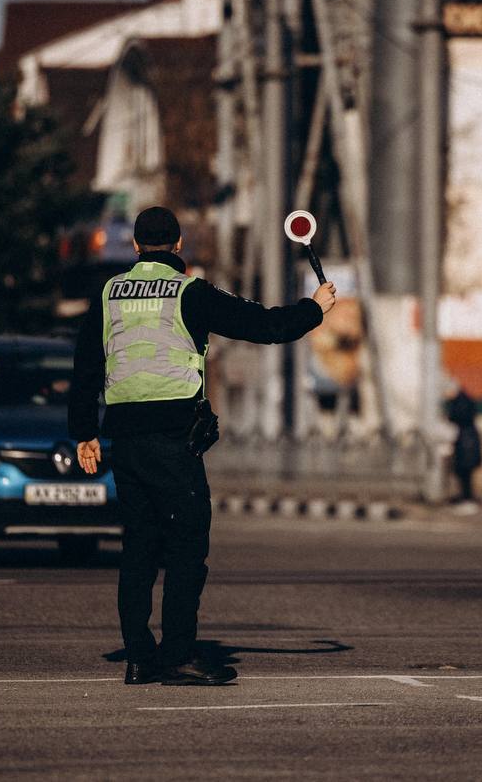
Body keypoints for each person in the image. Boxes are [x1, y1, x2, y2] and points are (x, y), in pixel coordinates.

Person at [69, 206, 336, 686]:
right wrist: (314, 308)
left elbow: (86, 365)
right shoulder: (189, 291)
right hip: (173, 440)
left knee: (138, 550)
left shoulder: (109, 294)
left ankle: (139, 658)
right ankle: (177, 654)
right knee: (186, 549)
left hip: (125, 440)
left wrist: (84, 432)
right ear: (178, 246)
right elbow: (263, 326)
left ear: (135, 247)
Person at [445, 382, 482, 512]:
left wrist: (450, 417)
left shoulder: (461, 402)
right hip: (467, 441)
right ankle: (466, 495)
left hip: (466, 442)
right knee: (464, 473)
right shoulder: (464, 400)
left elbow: (456, 417)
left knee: (465, 472)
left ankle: (467, 496)